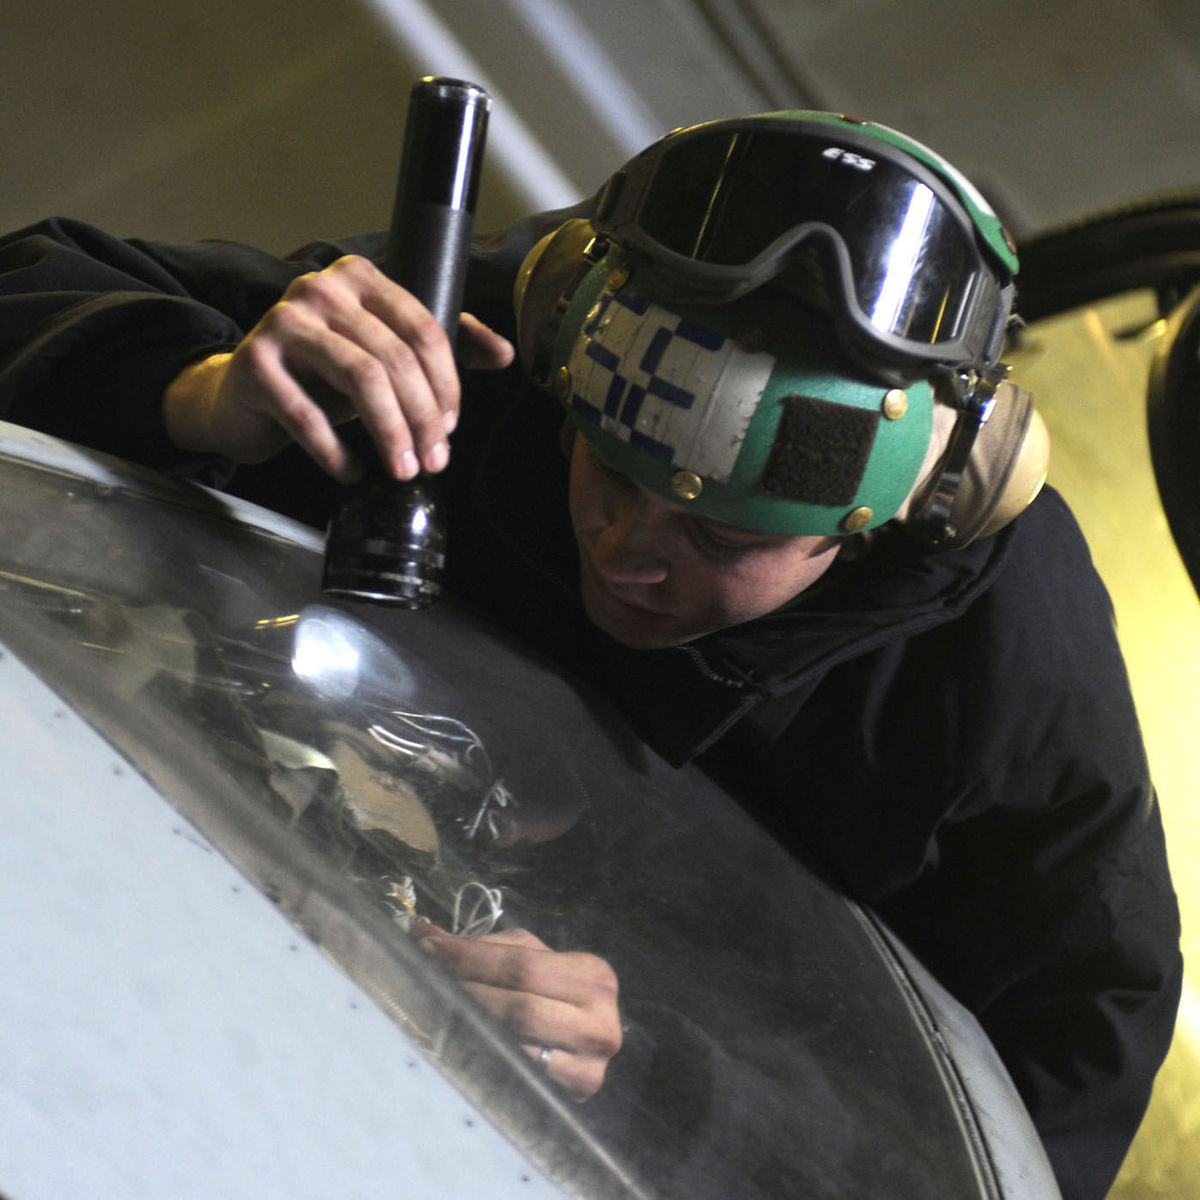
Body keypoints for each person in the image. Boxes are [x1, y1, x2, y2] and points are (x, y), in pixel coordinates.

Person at [0, 110, 1182, 1199]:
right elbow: (38, 284)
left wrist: (668, 1073)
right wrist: (191, 388)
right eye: (606, 475)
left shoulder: (1004, 673)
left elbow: (1036, 1111)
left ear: (875, 527)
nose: (624, 554)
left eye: (717, 537)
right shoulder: (509, 335)